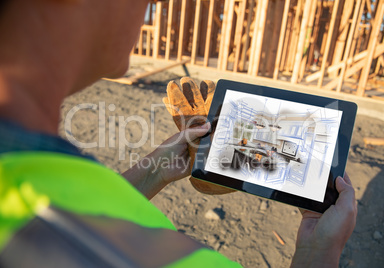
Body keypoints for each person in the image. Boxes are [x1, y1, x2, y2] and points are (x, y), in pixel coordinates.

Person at [0, 0, 357, 267]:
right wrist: (317, 251)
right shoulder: (104, 251)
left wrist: (156, 169)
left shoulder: (26, 176)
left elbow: (81, 203)